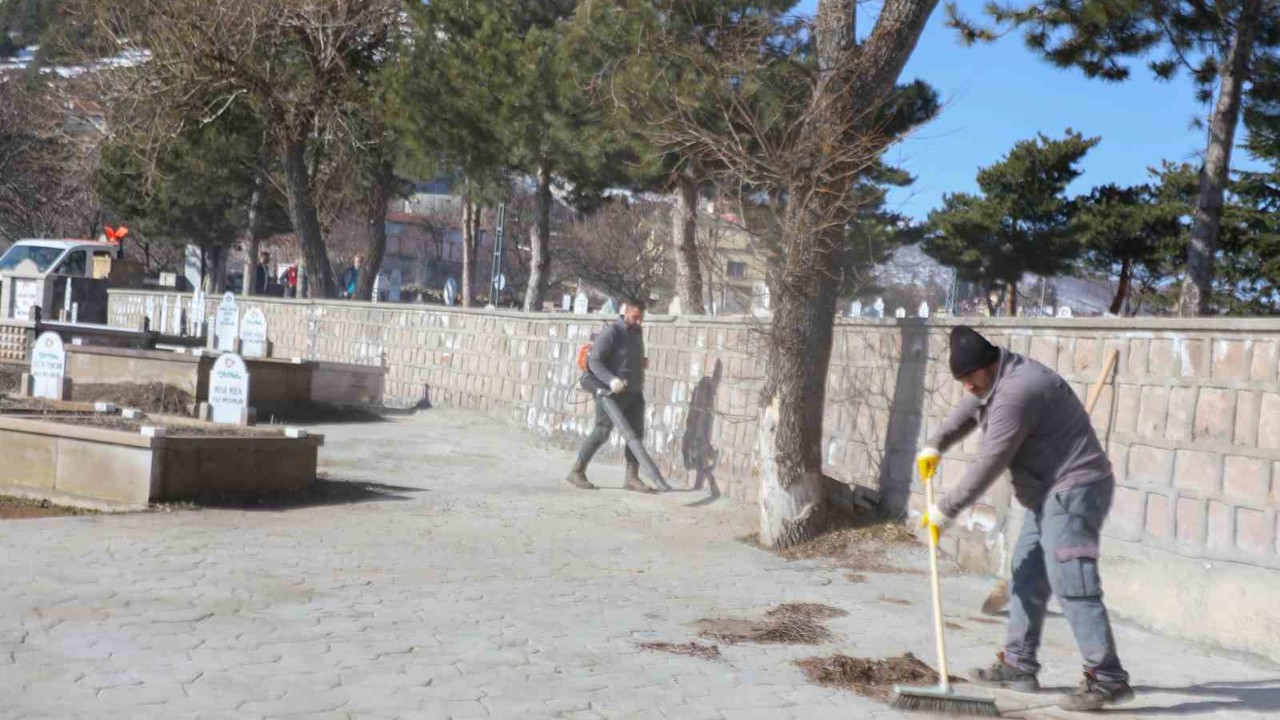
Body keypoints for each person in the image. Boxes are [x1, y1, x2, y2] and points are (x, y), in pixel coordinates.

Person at [918, 326, 1132, 712]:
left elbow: (990, 462)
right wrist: (935, 443)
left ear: (988, 364)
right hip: (1045, 492)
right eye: (961, 380)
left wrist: (944, 510)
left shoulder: (1019, 391)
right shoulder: (994, 378)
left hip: (1073, 488)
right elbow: (971, 407)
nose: (966, 387)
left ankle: (1107, 677)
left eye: (970, 378)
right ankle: (1019, 665)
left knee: (1073, 580)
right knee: (1025, 573)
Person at [565, 298, 652, 493]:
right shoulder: (611, 332)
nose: (639, 322)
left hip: (634, 392)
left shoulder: (637, 332)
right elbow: (595, 362)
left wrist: (640, 362)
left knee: (636, 435)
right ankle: (577, 471)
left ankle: (632, 478)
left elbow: (625, 357)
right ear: (626, 312)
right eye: (636, 317)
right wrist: (611, 380)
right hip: (611, 394)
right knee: (602, 431)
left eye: (641, 318)